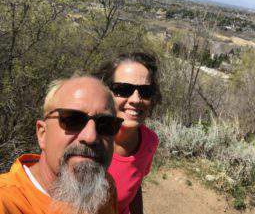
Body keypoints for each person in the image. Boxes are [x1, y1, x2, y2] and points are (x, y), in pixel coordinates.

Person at [0, 76, 123, 214]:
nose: (90, 137)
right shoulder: (6, 202)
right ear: (42, 134)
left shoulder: (103, 186)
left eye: (106, 124)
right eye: (73, 120)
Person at [95, 52, 162, 214]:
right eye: (123, 89)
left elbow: (134, 185)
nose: (136, 99)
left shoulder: (149, 141)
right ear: (105, 92)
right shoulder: (86, 140)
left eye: (145, 91)